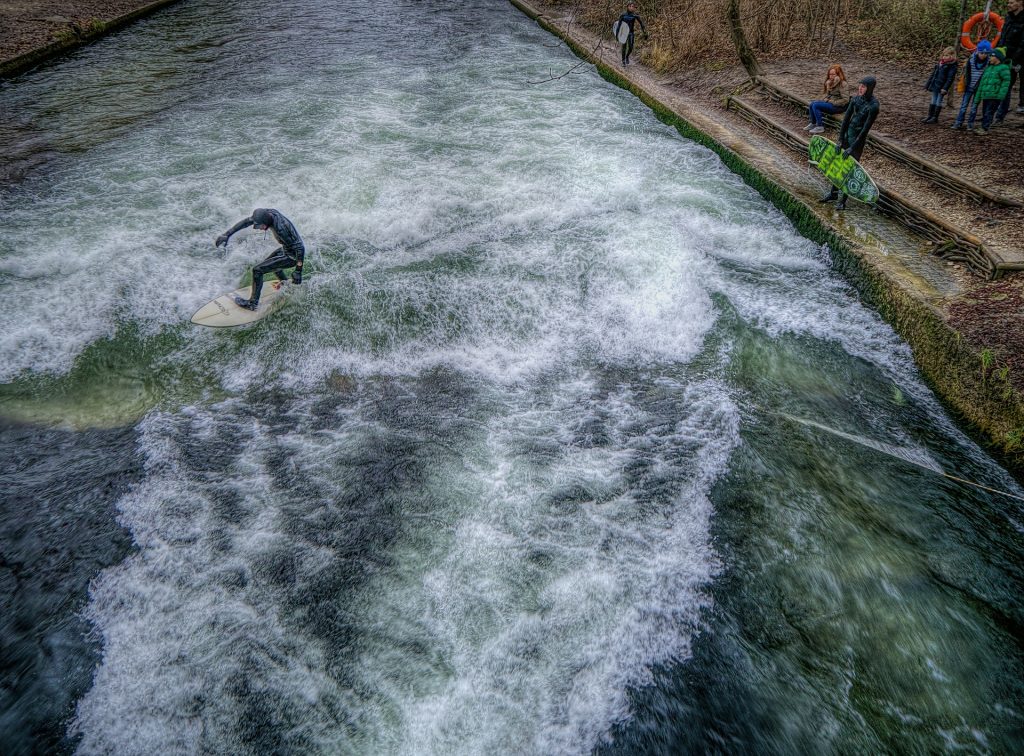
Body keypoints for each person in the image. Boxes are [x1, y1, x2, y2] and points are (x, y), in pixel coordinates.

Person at [215, 208, 304, 310]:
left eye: (260, 226)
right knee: (270, 264)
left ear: (265, 222)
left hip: (292, 257)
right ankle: (285, 284)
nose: (259, 228)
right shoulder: (267, 214)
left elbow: (300, 247)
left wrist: (298, 270)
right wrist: (227, 234)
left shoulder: (281, 228)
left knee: (257, 270)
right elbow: (246, 222)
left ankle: (252, 304)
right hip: (286, 250)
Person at [818, 76, 879, 210]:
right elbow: (845, 120)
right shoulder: (856, 99)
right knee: (838, 164)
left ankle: (843, 201)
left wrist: (852, 148)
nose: (860, 88)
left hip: (857, 140)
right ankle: (833, 194)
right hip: (847, 135)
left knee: (849, 168)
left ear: (870, 89)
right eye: (860, 86)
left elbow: (865, 129)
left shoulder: (874, 106)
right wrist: (840, 140)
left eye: (863, 87)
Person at [951, 39, 992, 129]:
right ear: (977, 51)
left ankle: (970, 124)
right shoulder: (971, 60)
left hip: (978, 89)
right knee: (964, 106)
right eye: (981, 53)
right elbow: (965, 73)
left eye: (986, 53)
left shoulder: (988, 63)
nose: (983, 55)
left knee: (974, 107)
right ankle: (959, 122)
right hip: (968, 86)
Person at [994, 0, 1023, 122]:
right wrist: (998, 54)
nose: (1008, 5)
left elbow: (1023, 44)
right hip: (1006, 57)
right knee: (1005, 84)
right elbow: (1002, 37)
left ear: (1020, 3)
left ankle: (1021, 107)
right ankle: (999, 115)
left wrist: (1015, 61)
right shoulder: (1008, 18)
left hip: (1020, 58)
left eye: (1011, 2)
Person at [974, 48, 1012, 133]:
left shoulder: (1003, 68)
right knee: (985, 112)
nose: (989, 57)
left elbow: (1006, 83)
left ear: (998, 58)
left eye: (992, 56)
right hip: (986, 95)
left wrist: (1000, 95)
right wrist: (978, 97)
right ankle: (984, 126)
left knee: (989, 112)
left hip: (995, 95)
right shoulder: (988, 68)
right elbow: (982, 83)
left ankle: (984, 128)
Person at [806, 64, 848, 134]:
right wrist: (825, 99)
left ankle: (820, 127)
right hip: (830, 103)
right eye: (830, 74)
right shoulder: (830, 83)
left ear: (838, 74)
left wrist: (831, 102)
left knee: (816, 106)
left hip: (838, 106)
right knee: (812, 103)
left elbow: (845, 100)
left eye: (833, 74)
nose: (831, 76)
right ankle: (813, 123)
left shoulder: (843, 84)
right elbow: (828, 95)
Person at [922, 46, 958, 123]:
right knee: (933, 100)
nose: (945, 57)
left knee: (939, 101)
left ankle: (935, 117)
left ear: (952, 56)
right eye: (944, 55)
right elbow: (933, 74)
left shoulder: (952, 66)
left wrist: (945, 88)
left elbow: (950, 78)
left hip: (942, 87)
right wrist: (927, 84)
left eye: (947, 55)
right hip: (935, 84)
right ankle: (930, 116)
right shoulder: (940, 63)